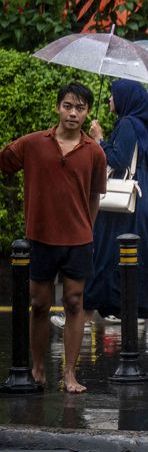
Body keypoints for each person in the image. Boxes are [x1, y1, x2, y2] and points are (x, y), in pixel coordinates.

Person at [0, 82, 107, 393]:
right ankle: (38, 367)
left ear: (87, 112)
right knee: (39, 303)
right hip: (40, 237)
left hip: (78, 240)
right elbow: (5, 162)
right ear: (58, 107)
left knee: (74, 302)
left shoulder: (95, 152)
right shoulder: (33, 143)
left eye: (80, 108)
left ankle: (70, 374)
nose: (73, 113)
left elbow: (95, 196)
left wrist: (86, 229)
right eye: (67, 106)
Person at [83, 79, 148, 335]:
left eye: (113, 95)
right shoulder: (142, 124)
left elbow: (118, 159)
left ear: (125, 99)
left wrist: (99, 140)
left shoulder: (128, 124)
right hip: (143, 197)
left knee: (106, 254)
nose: (110, 100)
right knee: (147, 256)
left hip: (129, 204)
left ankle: (82, 316)